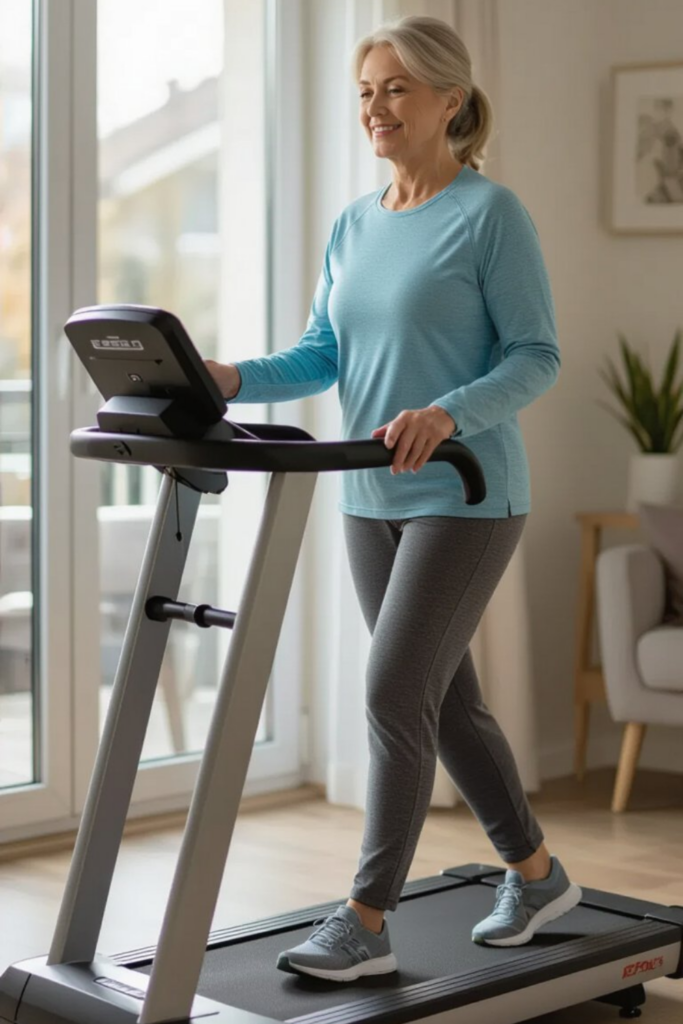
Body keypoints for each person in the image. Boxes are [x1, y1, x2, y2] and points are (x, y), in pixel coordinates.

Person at [206, 14, 581, 983]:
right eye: (365, 92)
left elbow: (535, 354)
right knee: (443, 702)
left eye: (395, 89)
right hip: (367, 495)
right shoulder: (354, 222)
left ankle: (367, 918)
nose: (374, 107)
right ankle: (537, 874)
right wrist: (231, 378)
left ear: (449, 100)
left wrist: (448, 413)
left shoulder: (488, 214)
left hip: (465, 492)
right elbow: (321, 354)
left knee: (389, 691)